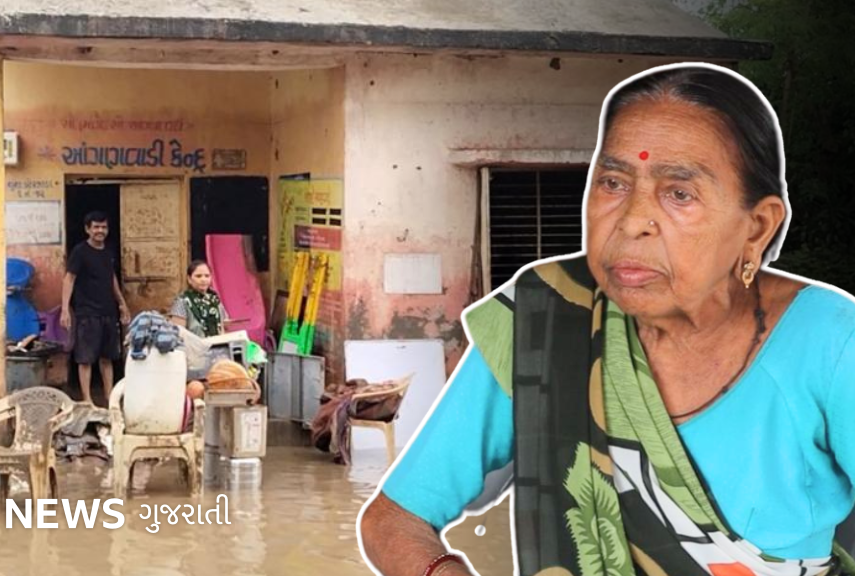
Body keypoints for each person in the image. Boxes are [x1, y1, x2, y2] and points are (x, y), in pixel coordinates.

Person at [359, 63, 855, 576]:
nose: (632, 221)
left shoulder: (830, 341)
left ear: (757, 227)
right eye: (614, 183)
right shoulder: (545, 320)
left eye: (679, 193)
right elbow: (394, 519)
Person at [61, 211, 131, 406]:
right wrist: (65, 309)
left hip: (108, 311)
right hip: (87, 312)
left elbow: (111, 278)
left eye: (103, 227)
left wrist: (122, 303)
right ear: (87, 229)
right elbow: (69, 278)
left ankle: (109, 398)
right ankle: (87, 400)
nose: (100, 231)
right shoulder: (80, 252)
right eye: (96, 227)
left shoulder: (108, 252)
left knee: (107, 357)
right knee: (85, 358)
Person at [170, 260, 228, 338]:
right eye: (198, 276)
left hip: (218, 344)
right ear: (189, 279)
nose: (203, 279)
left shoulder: (215, 300)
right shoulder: (182, 301)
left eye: (207, 276)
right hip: (193, 345)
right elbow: (178, 333)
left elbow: (225, 325)